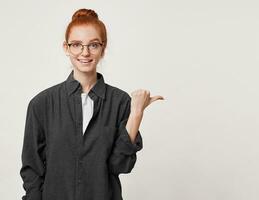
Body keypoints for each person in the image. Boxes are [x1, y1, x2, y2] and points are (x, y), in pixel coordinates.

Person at [20, 8, 164, 200]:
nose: (85, 52)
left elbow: (119, 166)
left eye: (93, 45)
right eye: (77, 45)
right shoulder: (42, 104)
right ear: (66, 48)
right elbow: (32, 170)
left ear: (103, 49)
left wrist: (136, 114)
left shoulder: (121, 102)